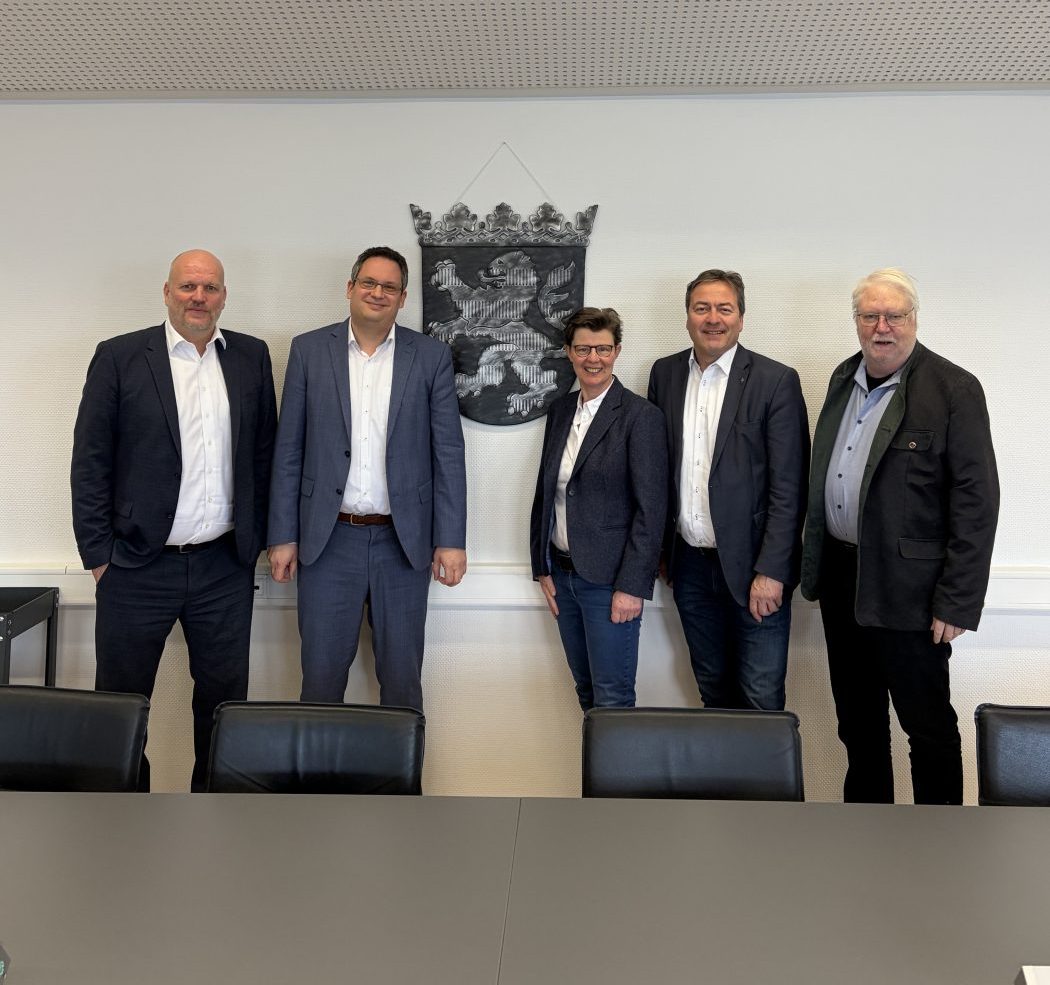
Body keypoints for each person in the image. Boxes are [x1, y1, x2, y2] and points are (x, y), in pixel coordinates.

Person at [71, 249, 277, 791]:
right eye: (188, 286)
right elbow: (90, 461)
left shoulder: (250, 357)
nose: (198, 298)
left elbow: (264, 455)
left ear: (224, 296)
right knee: (122, 707)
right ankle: (123, 818)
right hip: (135, 565)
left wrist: (258, 540)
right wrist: (99, 556)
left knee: (224, 708)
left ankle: (212, 817)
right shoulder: (120, 356)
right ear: (167, 292)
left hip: (223, 567)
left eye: (210, 288)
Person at [801, 268, 999, 804]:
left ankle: (940, 842)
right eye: (870, 315)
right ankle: (868, 837)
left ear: (914, 319)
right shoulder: (844, 378)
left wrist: (957, 600)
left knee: (927, 728)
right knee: (858, 725)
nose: (881, 326)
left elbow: (977, 503)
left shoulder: (954, 389)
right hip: (843, 582)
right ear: (857, 321)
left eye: (894, 315)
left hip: (913, 592)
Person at [267, 246, 466, 711]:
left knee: (401, 683)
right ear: (350, 288)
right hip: (327, 540)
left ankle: (401, 764)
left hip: (404, 542)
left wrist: (451, 540)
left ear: (402, 298)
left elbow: (448, 454)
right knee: (320, 681)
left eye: (389, 287)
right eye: (369, 283)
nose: (378, 292)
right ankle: (319, 763)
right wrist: (282, 535)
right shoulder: (309, 350)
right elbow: (288, 449)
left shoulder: (431, 356)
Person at [647, 270, 809, 711]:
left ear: (741, 318)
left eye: (724, 308)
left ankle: (764, 764)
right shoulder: (665, 374)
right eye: (702, 308)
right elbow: (658, 469)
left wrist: (772, 571)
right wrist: (661, 550)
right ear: (687, 317)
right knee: (713, 692)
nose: (713, 318)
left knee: (761, 697)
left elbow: (789, 487)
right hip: (690, 568)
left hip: (755, 570)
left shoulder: (775, 380)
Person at [530, 307, 667, 709]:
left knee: (613, 698)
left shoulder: (640, 417)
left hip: (610, 583)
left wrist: (632, 586)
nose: (594, 358)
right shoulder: (560, 411)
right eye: (584, 348)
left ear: (617, 351)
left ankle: (618, 759)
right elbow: (546, 492)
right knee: (586, 692)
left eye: (603, 349)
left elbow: (651, 510)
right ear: (569, 352)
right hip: (563, 576)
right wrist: (542, 566)